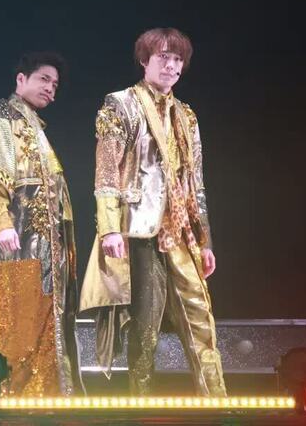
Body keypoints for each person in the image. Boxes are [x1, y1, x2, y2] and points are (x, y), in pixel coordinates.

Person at [79, 28, 226, 396]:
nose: (171, 65)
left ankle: (217, 401)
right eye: (163, 57)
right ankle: (139, 403)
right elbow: (107, 172)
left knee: (200, 317)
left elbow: (196, 183)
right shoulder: (121, 104)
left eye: (177, 59)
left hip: (180, 231)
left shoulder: (186, 114)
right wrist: (110, 228)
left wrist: (205, 241)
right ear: (145, 60)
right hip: (139, 228)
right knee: (145, 324)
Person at [0, 52, 80, 396]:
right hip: (15, 244)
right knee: (14, 320)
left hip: (44, 250)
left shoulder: (34, 126)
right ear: (21, 79)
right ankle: (4, 399)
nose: (51, 89)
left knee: (41, 324)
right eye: (44, 79)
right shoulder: (0, 117)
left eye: (55, 84)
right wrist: (2, 223)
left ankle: (43, 402)